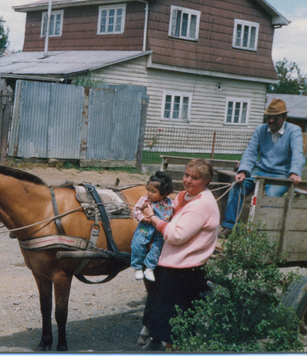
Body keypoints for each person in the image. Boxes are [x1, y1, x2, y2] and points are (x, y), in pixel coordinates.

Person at [139, 158, 219, 350]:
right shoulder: (183, 195)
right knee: (160, 317)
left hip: (184, 271)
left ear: (206, 181)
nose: (188, 180)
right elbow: (169, 214)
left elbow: (176, 235)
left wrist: (152, 218)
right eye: (186, 175)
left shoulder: (203, 205)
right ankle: (158, 340)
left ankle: (174, 348)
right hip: (170, 264)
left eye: (195, 178)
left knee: (175, 328)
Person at [220, 98, 305, 238]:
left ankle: (260, 234)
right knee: (237, 186)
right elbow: (251, 151)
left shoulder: (294, 131)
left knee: (270, 198)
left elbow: (298, 153)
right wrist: (242, 171)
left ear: (284, 117)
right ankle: (228, 226)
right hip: (260, 170)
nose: (270, 121)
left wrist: (295, 172)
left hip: (281, 173)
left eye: (275, 118)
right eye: (268, 117)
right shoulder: (261, 130)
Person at [131, 171, 174, 282]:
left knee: (157, 248)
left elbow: (173, 214)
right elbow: (136, 209)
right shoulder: (145, 200)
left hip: (159, 231)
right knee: (138, 244)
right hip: (145, 228)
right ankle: (138, 267)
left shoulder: (170, 202)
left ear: (164, 193)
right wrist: (141, 218)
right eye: (148, 190)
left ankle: (149, 268)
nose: (149, 193)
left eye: (153, 191)